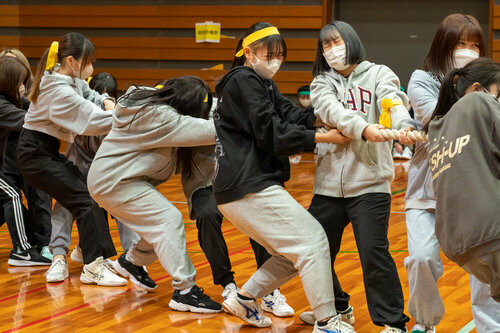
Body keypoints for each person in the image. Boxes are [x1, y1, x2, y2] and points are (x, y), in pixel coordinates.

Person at [212, 22, 355, 332]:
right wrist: (322, 138)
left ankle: (246, 299)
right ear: (248, 52)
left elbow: (289, 114)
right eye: (270, 54)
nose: (275, 60)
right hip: (247, 184)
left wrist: (325, 114)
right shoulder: (242, 80)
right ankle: (328, 321)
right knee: (314, 240)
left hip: (243, 186)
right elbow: (271, 132)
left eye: (280, 55)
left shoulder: (261, 82)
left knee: (293, 251)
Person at [301, 20, 413, 333]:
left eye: (336, 41)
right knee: (314, 248)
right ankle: (338, 306)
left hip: (370, 184)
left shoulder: (379, 73)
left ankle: (393, 323)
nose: (332, 49)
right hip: (327, 186)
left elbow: (394, 99)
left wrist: (403, 124)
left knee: (373, 253)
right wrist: (363, 128)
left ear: (351, 41)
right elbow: (332, 111)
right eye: (325, 45)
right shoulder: (321, 82)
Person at [87, 76, 222, 313]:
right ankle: (185, 291)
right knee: (168, 220)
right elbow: (208, 130)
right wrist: (246, 120)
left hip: (126, 179)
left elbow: (208, 110)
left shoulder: (156, 99)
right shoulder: (160, 116)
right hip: (113, 183)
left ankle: (131, 262)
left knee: (158, 225)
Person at [403, 14, 499, 333]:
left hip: (472, 189)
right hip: (426, 191)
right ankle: (426, 323)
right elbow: (439, 120)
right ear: (444, 45)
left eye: (475, 45)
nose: (469, 50)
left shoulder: (487, 83)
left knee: (486, 267)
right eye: (461, 44)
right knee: (420, 259)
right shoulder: (422, 80)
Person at [16, 32, 125, 286]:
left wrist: (107, 100)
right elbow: (91, 121)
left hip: (46, 150)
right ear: (72, 62)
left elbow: (89, 95)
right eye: (87, 62)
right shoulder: (58, 91)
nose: (91, 68)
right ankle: (91, 266)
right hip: (34, 155)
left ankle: (90, 257)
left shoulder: (64, 76)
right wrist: (124, 117)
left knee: (87, 196)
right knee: (83, 200)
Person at [45, 72, 140, 283]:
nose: (106, 98)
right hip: (78, 172)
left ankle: (132, 262)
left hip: (108, 174)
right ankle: (59, 257)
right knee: (65, 203)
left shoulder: (119, 117)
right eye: (101, 94)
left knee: (126, 201)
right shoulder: (79, 112)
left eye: (110, 96)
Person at [426, 57, 500, 304]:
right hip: (492, 231)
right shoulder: (479, 101)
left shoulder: (437, 125)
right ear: (478, 89)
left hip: (458, 246)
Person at [0, 48, 53, 260]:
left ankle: (41, 245)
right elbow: (29, 121)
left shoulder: (21, 94)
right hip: (7, 160)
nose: (22, 85)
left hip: (27, 154)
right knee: (11, 197)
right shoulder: (3, 104)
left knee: (37, 196)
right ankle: (23, 251)